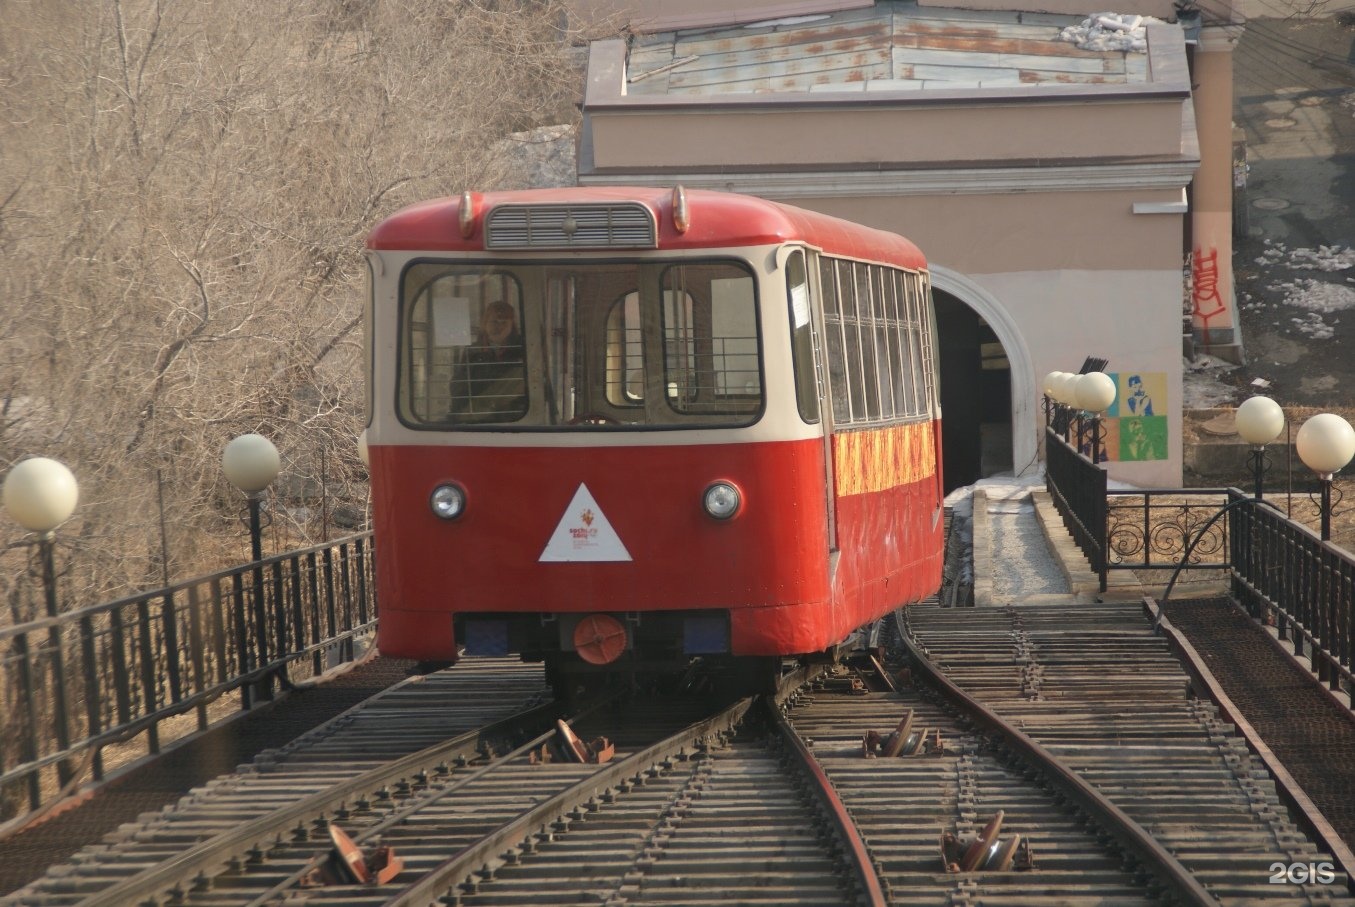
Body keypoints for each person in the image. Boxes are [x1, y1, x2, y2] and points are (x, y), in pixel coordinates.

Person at [449, 301, 527, 419]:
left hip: (514, 417)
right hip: (480, 418)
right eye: (494, 322)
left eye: (504, 323)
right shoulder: (472, 352)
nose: (499, 327)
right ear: (484, 324)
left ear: (512, 326)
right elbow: (459, 386)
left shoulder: (523, 350)